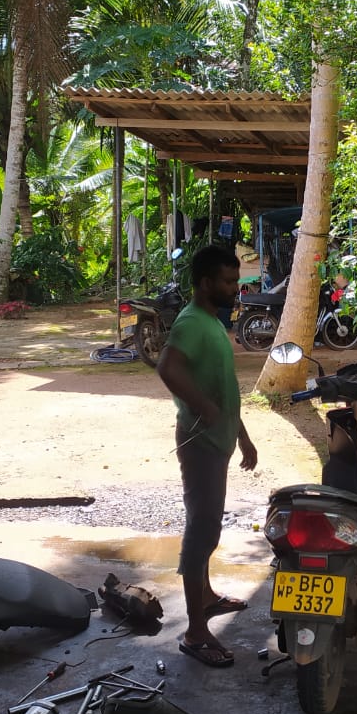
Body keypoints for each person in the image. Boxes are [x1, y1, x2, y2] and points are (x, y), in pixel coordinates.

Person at [157, 245, 259, 668]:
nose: (235, 288)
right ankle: (196, 632)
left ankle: (208, 595)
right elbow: (168, 368)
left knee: (209, 527)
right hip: (200, 444)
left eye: (235, 281)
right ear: (205, 284)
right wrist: (203, 408)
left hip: (218, 442)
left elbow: (224, 384)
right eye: (228, 282)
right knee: (201, 533)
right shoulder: (191, 323)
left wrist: (244, 436)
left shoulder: (213, 322)